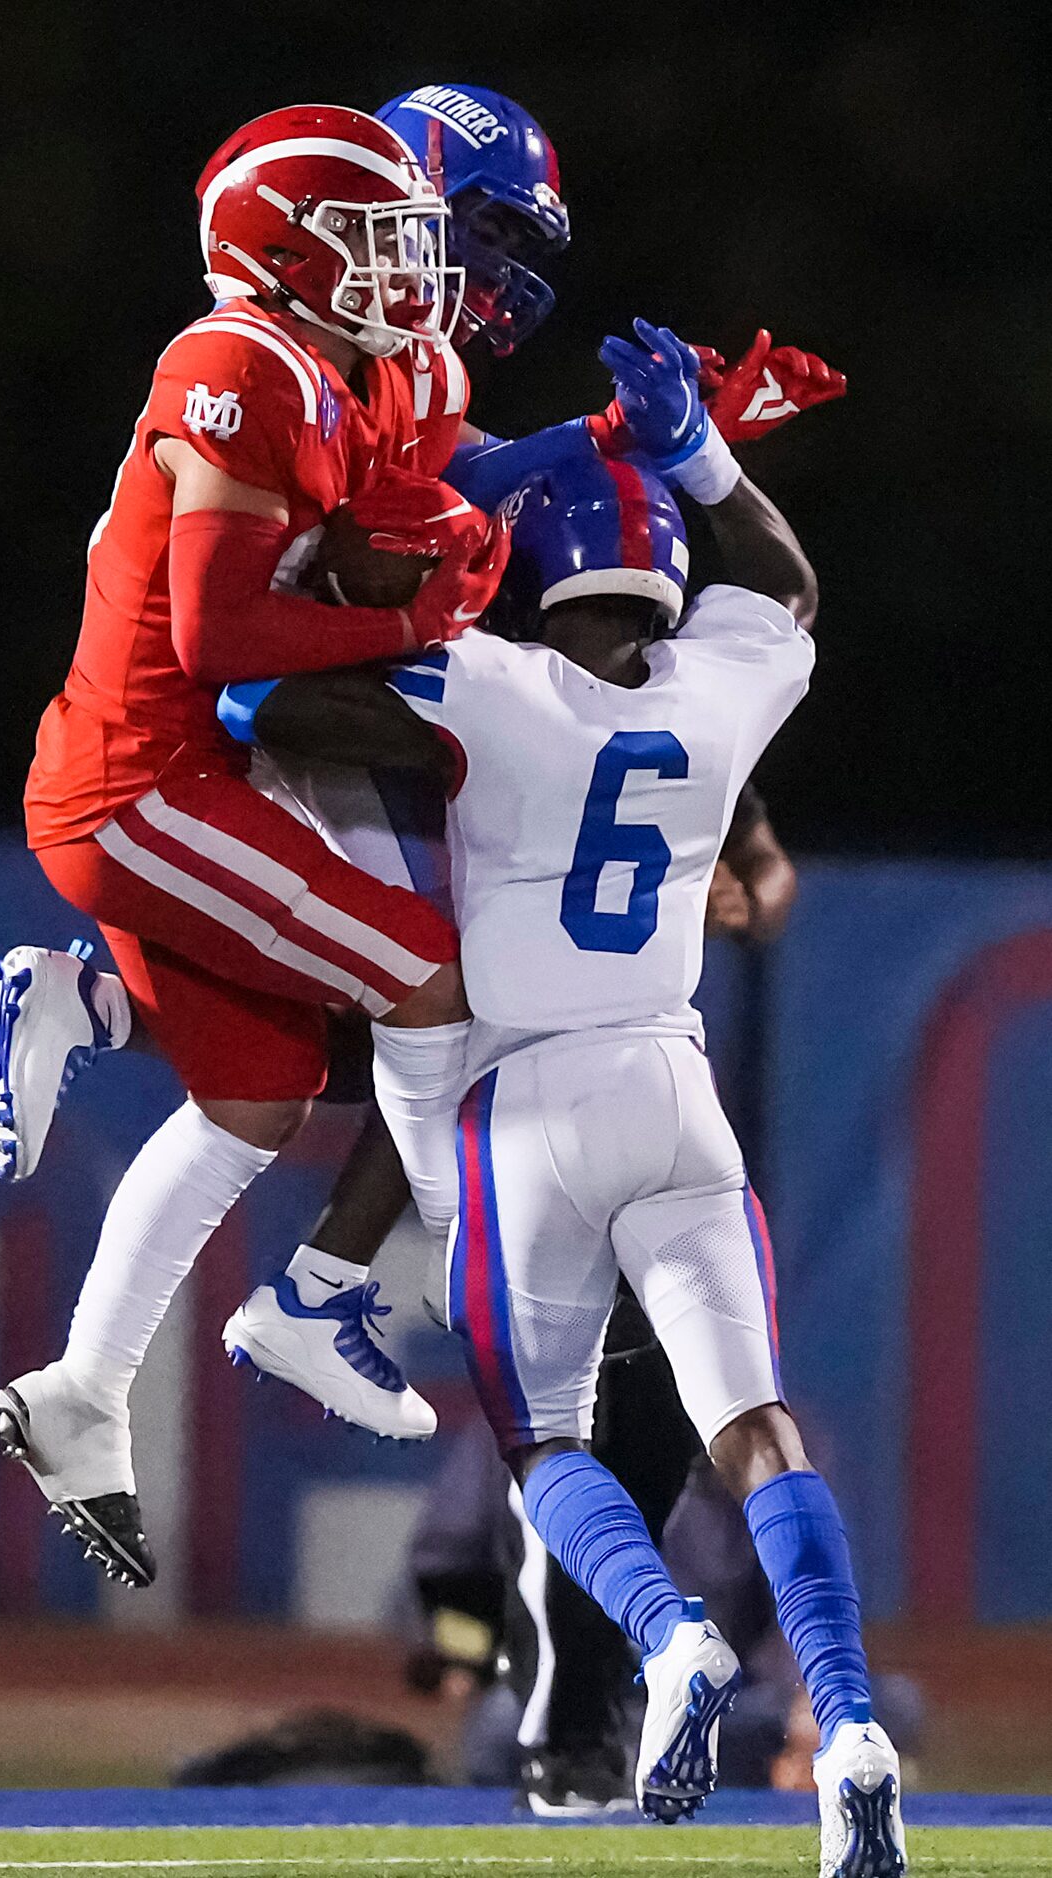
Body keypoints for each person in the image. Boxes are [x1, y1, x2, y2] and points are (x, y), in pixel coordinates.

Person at [217, 325, 907, 1873]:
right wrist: (702, 459)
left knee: (540, 1439)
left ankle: (666, 1643)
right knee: (760, 1426)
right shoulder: (725, 689)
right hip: (675, 1085)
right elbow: (784, 587)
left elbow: (271, 701)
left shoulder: (497, 681)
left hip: (524, 1103)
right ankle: (849, 1720)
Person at [221, 83, 844, 1438]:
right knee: (454, 986)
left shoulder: (410, 381)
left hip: (345, 715)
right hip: (253, 715)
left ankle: (366, 1276)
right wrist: (633, 465)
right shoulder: (295, 361)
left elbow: (608, 698)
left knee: (463, 993)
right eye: (486, 231)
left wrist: (730, 822)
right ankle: (338, 1273)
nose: (500, 275)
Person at [0, 103, 516, 1588]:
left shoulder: (342, 370)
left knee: (260, 1098)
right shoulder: (237, 361)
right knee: (427, 977)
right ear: (278, 249)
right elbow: (216, 631)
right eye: (376, 240)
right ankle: (397, 1278)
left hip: (170, 772)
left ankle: (82, 1395)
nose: (411, 268)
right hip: (143, 787)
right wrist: (412, 614)